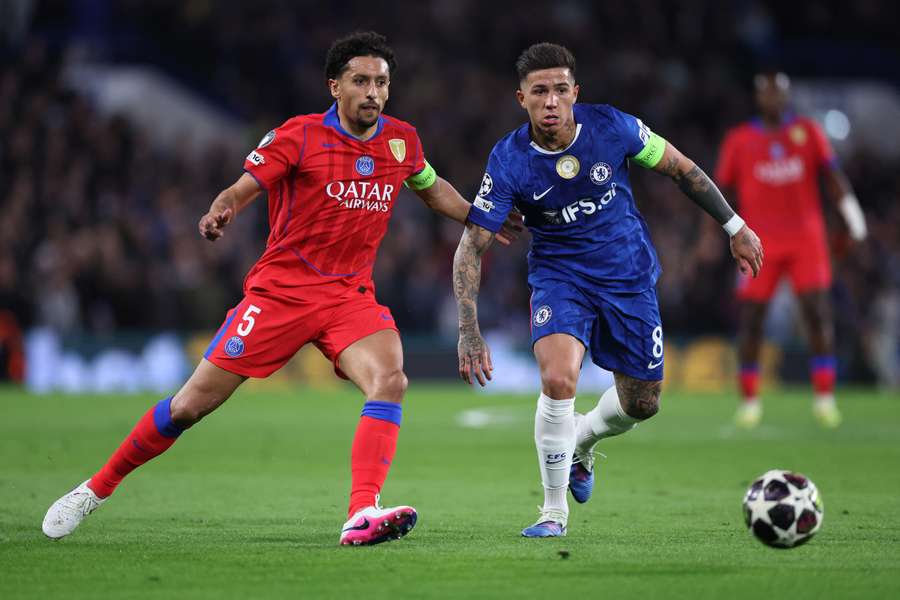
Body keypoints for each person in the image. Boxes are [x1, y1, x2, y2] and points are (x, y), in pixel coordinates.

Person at [42, 31, 519, 546]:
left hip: (348, 298)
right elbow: (243, 188)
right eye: (361, 81)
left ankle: (362, 511)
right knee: (188, 407)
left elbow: (431, 188)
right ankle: (96, 488)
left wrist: (479, 214)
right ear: (334, 86)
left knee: (391, 380)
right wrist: (220, 209)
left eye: (382, 82)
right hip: (280, 296)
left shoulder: (401, 139)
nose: (373, 93)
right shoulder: (299, 135)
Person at [452, 43, 763, 538]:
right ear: (521, 99)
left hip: (628, 278)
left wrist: (735, 227)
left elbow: (682, 169)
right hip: (559, 277)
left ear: (576, 92)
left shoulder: (613, 127)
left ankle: (583, 439)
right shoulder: (509, 160)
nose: (550, 101)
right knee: (557, 380)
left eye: (559, 90)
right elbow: (472, 244)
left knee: (642, 402)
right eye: (539, 92)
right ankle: (552, 512)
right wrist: (468, 328)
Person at [716, 72, 867, 430]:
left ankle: (825, 399)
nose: (773, 99)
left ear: (786, 96)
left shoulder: (808, 132)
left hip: (806, 239)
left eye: (779, 92)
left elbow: (834, 179)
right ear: (758, 98)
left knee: (817, 313)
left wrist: (853, 217)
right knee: (752, 319)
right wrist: (717, 235)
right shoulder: (739, 140)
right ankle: (749, 401)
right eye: (767, 93)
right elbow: (722, 192)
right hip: (759, 240)